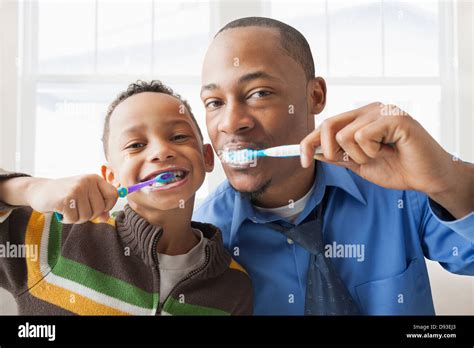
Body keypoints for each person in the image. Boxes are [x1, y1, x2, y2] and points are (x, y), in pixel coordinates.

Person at [193, 17, 474, 315]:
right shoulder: (204, 245)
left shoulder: (398, 190)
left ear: (315, 96)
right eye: (214, 102)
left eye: (260, 93)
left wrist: (446, 177)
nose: (231, 122)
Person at [0, 80, 252, 315]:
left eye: (178, 137)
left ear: (207, 157)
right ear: (111, 177)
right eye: (135, 145)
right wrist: (31, 189)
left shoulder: (234, 285)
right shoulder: (55, 237)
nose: (162, 151)